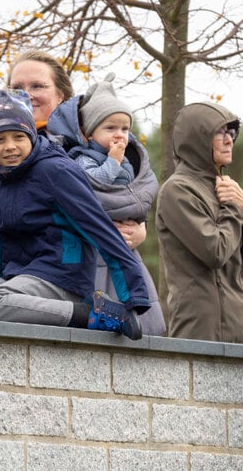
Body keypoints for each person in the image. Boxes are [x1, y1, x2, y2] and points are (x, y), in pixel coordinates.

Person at [0, 89, 152, 340]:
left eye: (18, 137)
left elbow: (99, 229)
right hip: (17, 281)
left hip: (61, 278)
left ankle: (91, 314)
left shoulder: (56, 170)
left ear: (31, 134)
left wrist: (134, 294)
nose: (9, 147)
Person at [46, 73, 165, 335]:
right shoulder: (82, 158)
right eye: (110, 128)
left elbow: (135, 191)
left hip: (126, 246)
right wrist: (112, 162)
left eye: (124, 129)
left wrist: (138, 220)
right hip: (96, 252)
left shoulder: (128, 159)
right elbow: (92, 183)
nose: (119, 135)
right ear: (89, 133)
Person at [155, 102, 243, 344]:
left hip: (242, 334)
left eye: (231, 133)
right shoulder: (177, 190)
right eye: (220, 132)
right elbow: (215, 251)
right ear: (197, 138)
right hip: (200, 334)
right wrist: (234, 209)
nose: (229, 140)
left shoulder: (227, 189)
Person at [0, 49, 74, 166]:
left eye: (37, 86)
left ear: (60, 94)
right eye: (17, 88)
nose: (26, 96)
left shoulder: (86, 140)